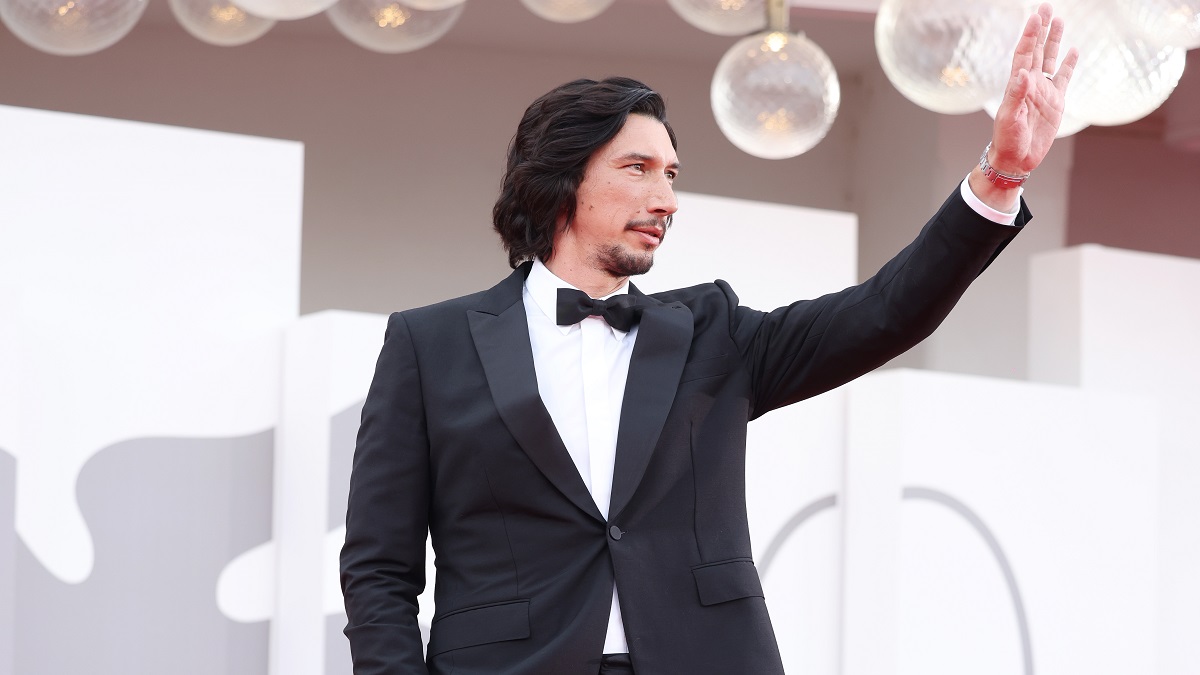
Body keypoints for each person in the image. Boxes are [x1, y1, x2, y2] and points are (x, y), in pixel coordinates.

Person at [340, 5, 1078, 674]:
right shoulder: (428, 344)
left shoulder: (712, 332)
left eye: (672, 175)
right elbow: (379, 570)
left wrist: (1000, 174)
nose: (665, 200)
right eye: (637, 170)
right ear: (559, 180)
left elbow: (886, 311)